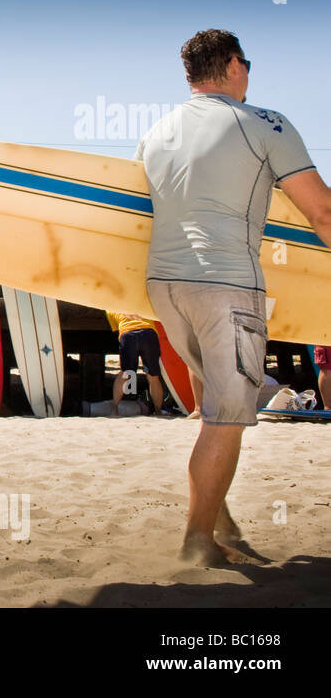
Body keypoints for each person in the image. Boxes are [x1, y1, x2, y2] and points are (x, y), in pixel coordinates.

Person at [139, 29, 331, 565]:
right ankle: (198, 543)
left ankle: (220, 528)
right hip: (227, 287)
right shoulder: (264, 123)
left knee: (211, 412)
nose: (250, 71)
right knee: (226, 419)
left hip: (166, 288)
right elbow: (322, 213)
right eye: (246, 62)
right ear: (230, 66)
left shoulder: (157, 132)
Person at [105, 311, 164, 415]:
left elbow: (116, 327)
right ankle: (158, 411)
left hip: (128, 335)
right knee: (153, 377)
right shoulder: (141, 298)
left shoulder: (110, 307)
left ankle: (114, 410)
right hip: (148, 333)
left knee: (125, 374)